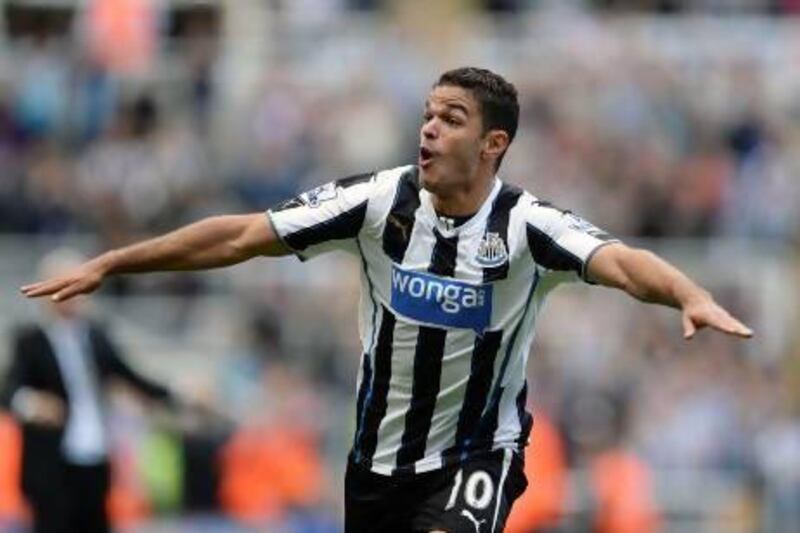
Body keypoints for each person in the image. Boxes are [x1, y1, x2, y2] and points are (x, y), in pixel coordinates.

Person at [20, 67, 752, 533]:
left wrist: (688, 294)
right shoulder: (379, 201)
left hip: (477, 455)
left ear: (494, 143)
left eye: (453, 117)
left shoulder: (529, 226)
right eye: (429, 113)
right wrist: (114, 263)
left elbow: (621, 261)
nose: (430, 127)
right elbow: (244, 234)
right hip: (375, 462)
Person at [4, 248, 178, 533]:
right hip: (50, 462)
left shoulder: (96, 335)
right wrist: (32, 404)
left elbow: (128, 374)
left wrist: (173, 393)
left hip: (94, 455)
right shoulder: (30, 339)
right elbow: (9, 389)